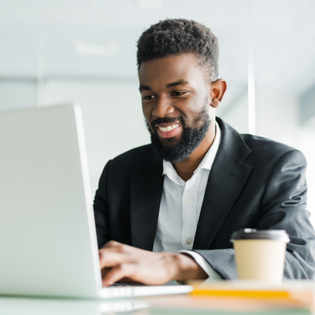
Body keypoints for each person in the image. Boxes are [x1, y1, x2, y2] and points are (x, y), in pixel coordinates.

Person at [94, 19, 315, 286]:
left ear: (215, 93)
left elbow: (298, 266)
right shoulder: (118, 173)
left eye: (178, 92)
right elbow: (85, 261)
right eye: (149, 96)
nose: (160, 111)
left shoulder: (276, 166)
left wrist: (176, 264)